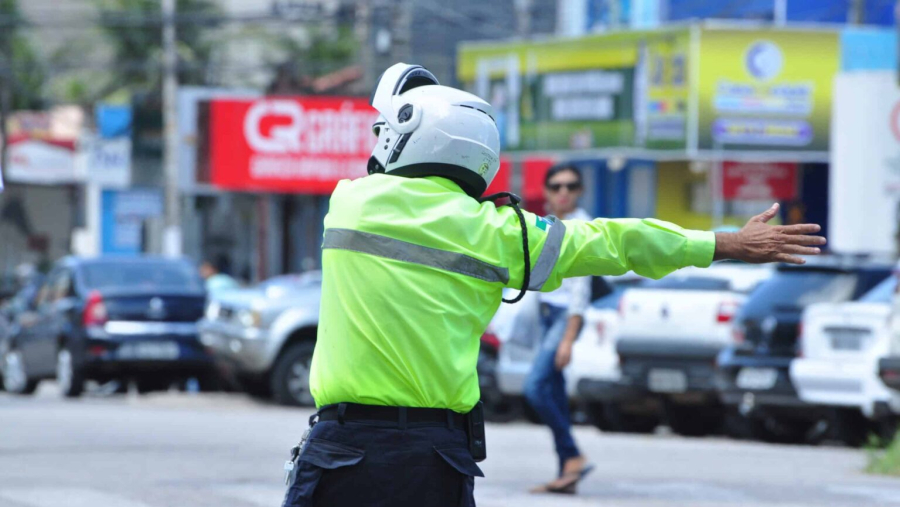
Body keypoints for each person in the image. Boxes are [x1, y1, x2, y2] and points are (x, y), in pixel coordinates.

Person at [281, 63, 825, 507]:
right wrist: (725, 242)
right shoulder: (502, 234)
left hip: (344, 451)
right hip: (436, 459)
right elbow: (614, 241)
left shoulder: (351, 203)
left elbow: (383, 166)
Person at [523, 164, 593, 494]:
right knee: (555, 392)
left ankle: (573, 454)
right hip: (547, 315)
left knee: (535, 387)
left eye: (571, 185)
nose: (563, 192)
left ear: (580, 190)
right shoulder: (547, 224)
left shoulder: (582, 227)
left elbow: (581, 290)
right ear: (547, 191)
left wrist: (568, 338)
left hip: (566, 317)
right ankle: (568, 469)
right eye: (556, 186)